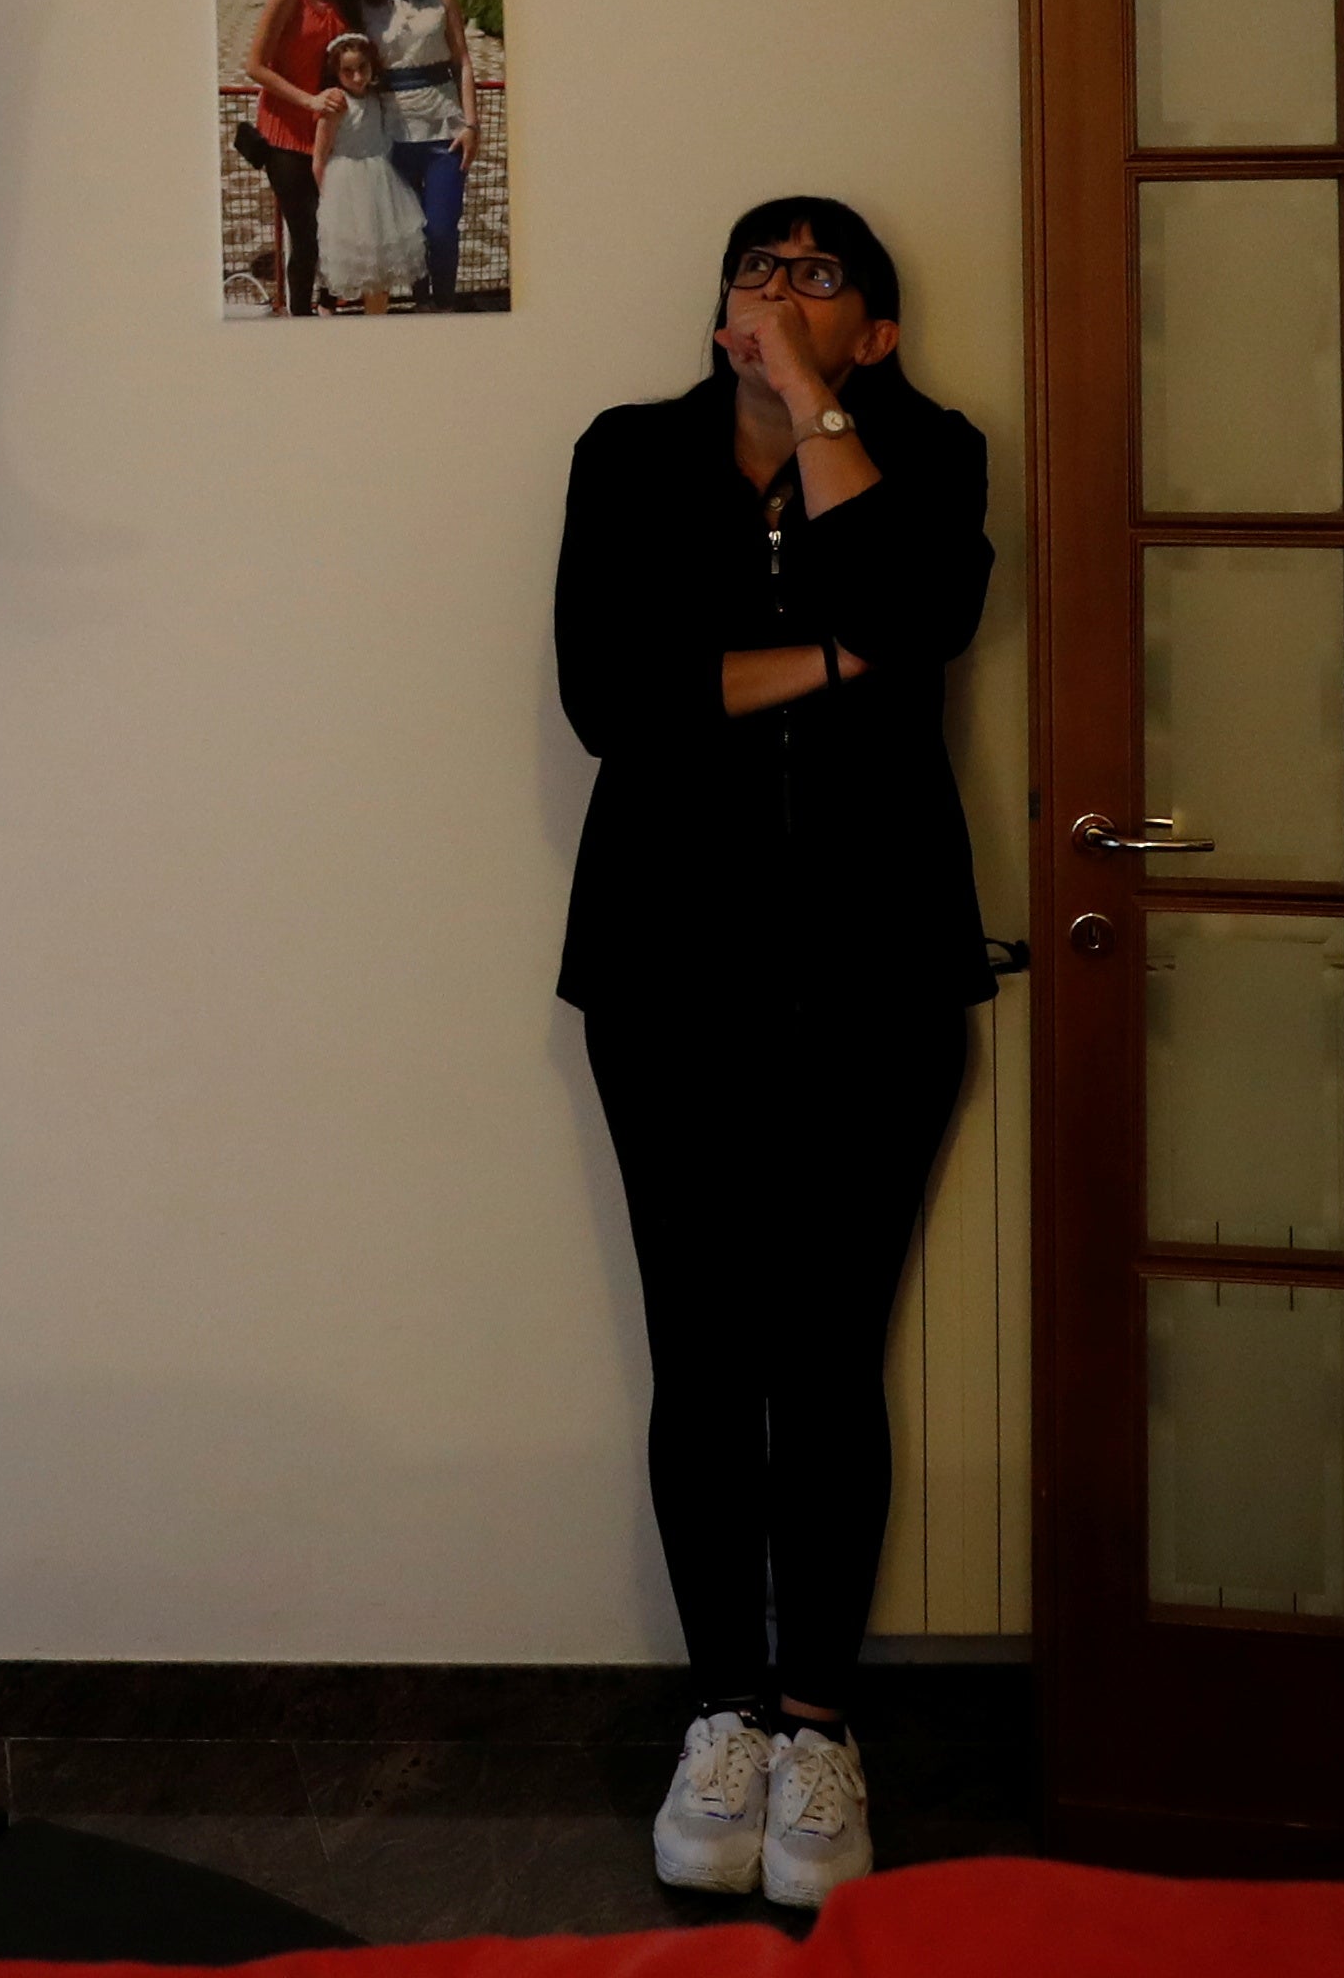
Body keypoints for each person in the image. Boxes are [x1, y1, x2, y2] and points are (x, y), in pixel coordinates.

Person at [548, 198, 994, 1911]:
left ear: (872, 330)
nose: (780, 292)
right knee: (701, 1350)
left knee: (825, 1358)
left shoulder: (928, 447)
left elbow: (925, 613)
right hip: (665, 969)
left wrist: (821, 421)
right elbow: (614, 695)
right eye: (757, 268)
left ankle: (818, 1729)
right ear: (715, 308)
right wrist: (829, 656)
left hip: (880, 970)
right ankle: (719, 1708)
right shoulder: (628, 452)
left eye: (820, 279)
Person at [235, 0, 369, 315]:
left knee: (335, 229)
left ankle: (330, 304)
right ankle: (300, 317)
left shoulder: (347, 7)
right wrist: (308, 100)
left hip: (327, 138)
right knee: (307, 235)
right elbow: (255, 66)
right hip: (283, 136)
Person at [360, 0, 477, 308]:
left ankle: (443, 304)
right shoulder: (363, 6)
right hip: (390, 133)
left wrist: (472, 124)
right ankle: (421, 304)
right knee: (407, 233)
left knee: (442, 229)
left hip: (444, 129)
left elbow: (462, 60)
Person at [312, 32, 420, 311]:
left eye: (363, 68)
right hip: (345, 185)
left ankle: (376, 317)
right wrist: (327, 197)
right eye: (348, 71)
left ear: (372, 66)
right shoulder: (335, 104)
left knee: (381, 260)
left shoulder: (376, 97)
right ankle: (327, 310)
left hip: (380, 182)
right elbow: (319, 156)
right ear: (336, 72)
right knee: (347, 257)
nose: (357, 77)